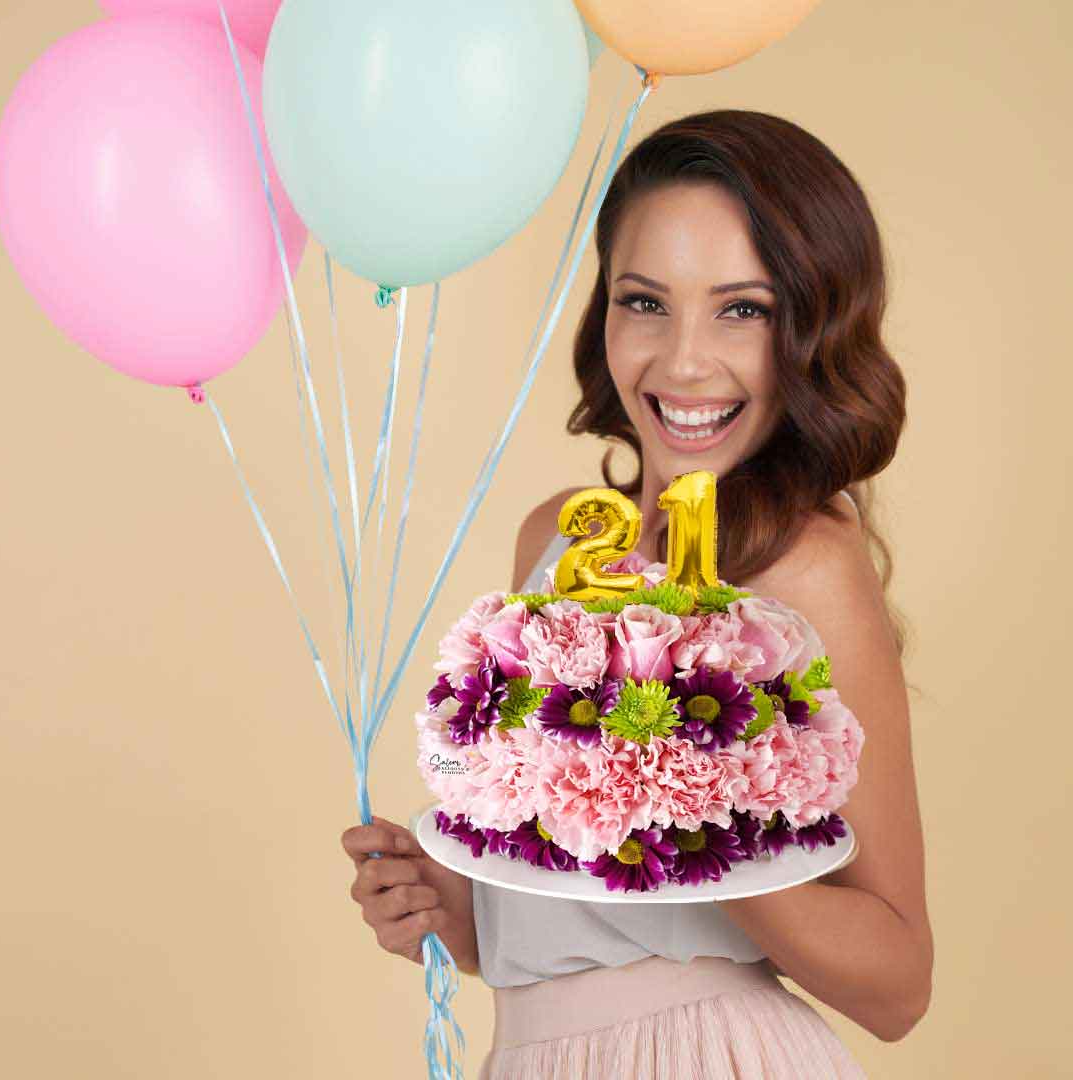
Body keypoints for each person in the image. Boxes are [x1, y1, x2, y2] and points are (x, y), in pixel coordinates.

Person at [341, 109, 934, 1077]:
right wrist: (458, 914)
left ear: (810, 324)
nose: (683, 360)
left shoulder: (806, 567)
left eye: (743, 307)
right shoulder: (552, 542)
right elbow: (576, 948)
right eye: (644, 301)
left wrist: (693, 831)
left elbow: (900, 982)